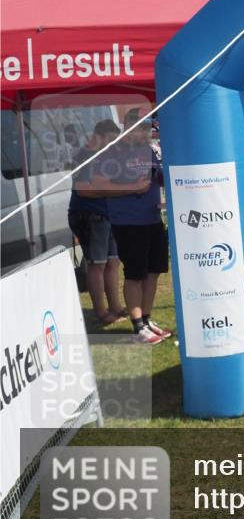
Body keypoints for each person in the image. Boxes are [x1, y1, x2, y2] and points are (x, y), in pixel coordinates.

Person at [95, 109, 172, 344]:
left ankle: (146, 319)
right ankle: (138, 326)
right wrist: (131, 189)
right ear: (126, 126)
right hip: (128, 222)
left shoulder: (147, 150)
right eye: (138, 126)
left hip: (152, 218)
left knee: (153, 271)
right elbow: (99, 186)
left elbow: (156, 177)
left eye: (146, 127)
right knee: (135, 274)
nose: (144, 131)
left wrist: (164, 176)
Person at [68, 119, 127, 325]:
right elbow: (84, 189)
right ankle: (101, 312)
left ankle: (116, 306)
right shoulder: (84, 157)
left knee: (112, 262)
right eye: (110, 140)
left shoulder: (104, 155)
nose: (114, 145)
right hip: (89, 215)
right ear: (98, 137)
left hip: (106, 215)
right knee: (97, 265)